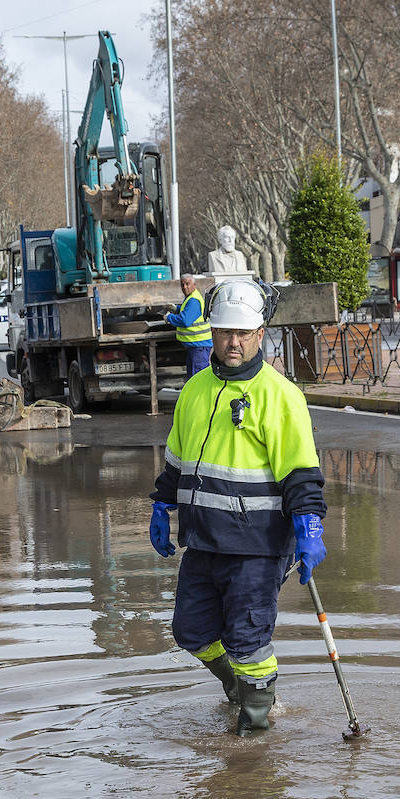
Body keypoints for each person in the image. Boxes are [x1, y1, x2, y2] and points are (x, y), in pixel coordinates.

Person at [150, 278, 327, 736]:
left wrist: (308, 527)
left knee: (248, 641)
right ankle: (243, 691)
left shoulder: (280, 395)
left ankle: (254, 730)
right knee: (192, 632)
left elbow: (301, 472)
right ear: (212, 332)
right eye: (226, 332)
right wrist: (162, 505)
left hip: (258, 545)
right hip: (203, 540)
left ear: (259, 334)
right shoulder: (194, 391)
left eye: (243, 334)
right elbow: (176, 459)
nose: (233, 342)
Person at [165, 273, 212, 379]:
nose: (185, 287)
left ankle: (200, 396)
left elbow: (185, 320)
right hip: (196, 346)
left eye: (187, 284)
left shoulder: (194, 300)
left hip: (199, 346)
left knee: (198, 378)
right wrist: (176, 309)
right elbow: (188, 311)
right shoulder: (191, 298)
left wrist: (169, 318)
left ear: (194, 285)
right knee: (194, 378)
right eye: (182, 285)